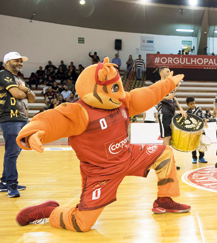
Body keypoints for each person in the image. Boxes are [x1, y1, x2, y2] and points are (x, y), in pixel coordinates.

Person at [15, 57, 190, 232]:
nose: (120, 93)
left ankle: (165, 201)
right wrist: (33, 131)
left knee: (165, 153)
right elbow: (53, 120)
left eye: (119, 86)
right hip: (101, 172)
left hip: (128, 156)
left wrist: (167, 84)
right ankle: (49, 211)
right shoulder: (79, 112)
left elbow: (149, 94)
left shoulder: (122, 102)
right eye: (115, 88)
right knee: (81, 223)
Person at [0, 52, 36, 197]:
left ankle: (3, 182)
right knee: (12, 152)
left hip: (21, 118)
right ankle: (11, 185)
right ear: (7, 62)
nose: (20, 63)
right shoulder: (4, 74)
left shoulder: (19, 79)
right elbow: (17, 94)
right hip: (10, 118)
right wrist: (23, 91)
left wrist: (26, 89)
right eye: (17, 60)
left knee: (14, 152)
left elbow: (31, 98)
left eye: (21, 61)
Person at [157, 66, 187, 170]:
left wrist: (181, 109)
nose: (170, 73)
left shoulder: (170, 86)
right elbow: (155, 98)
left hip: (171, 113)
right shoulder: (159, 84)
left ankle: (165, 161)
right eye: (167, 71)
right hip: (163, 113)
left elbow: (174, 98)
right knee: (167, 137)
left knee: (169, 138)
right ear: (162, 74)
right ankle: (167, 162)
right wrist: (166, 98)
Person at [186, 97, 208, 164]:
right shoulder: (187, 112)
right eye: (191, 104)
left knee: (202, 143)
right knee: (193, 144)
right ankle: (194, 158)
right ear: (188, 105)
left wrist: (206, 123)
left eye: (194, 103)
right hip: (193, 131)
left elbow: (203, 117)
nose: (193, 105)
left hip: (201, 130)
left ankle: (201, 157)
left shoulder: (199, 109)